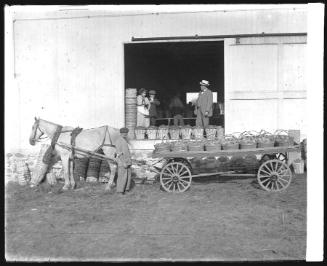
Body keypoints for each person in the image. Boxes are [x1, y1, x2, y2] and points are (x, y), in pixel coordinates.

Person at [115, 127, 132, 195]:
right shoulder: (119, 141)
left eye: (126, 133)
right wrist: (123, 162)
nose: (125, 134)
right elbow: (119, 153)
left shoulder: (124, 140)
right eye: (123, 133)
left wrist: (129, 161)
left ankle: (126, 189)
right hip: (123, 162)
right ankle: (120, 191)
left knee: (128, 176)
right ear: (121, 133)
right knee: (122, 176)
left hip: (128, 161)